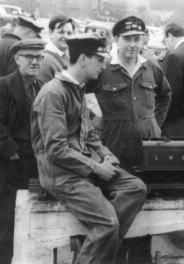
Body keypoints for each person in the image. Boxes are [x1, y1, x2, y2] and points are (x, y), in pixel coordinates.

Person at [31, 33, 147, 264]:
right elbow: (56, 149)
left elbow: (89, 133)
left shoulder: (76, 88)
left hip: (81, 168)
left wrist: (106, 154)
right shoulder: (54, 93)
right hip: (61, 175)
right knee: (107, 224)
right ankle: (100, 240)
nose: (103, 66)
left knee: (135, 188)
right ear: (83, 58)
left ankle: (95, 244)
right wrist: (96, 168)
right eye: (100, 60)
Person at [87, 15, 171, 264]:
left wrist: (154, 123)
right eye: (127, 39)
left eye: (138, 38)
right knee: (115, 207)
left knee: (145, 211)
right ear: (116, 39)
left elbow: (165, 95)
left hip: (147, 149)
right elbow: (81, 100)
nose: (133, 45)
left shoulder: (152, 67)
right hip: (113, 149)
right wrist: (97, 126)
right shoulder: (102, 69)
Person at [0, 39, 45, 264]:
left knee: (29, 221)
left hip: (34, 165)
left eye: (39, 57)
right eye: (29, 56)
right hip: (9, 166)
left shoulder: (42, 86)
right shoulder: (2, 86)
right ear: (17, 59)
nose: (34, 61)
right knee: (3, 222)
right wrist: (13, 153)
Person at [0, 16, 43, 87]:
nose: (34, 40)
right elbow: (16, 81)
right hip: (6, 95)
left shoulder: (1, 42)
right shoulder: (17, 47)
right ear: (29, 33)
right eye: (34, 37)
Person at [37, 15, 75, 83]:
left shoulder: (69, 55)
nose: (66, 36)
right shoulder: (45, 60)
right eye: (61, 32)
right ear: (50, 33)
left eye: (69, 33)